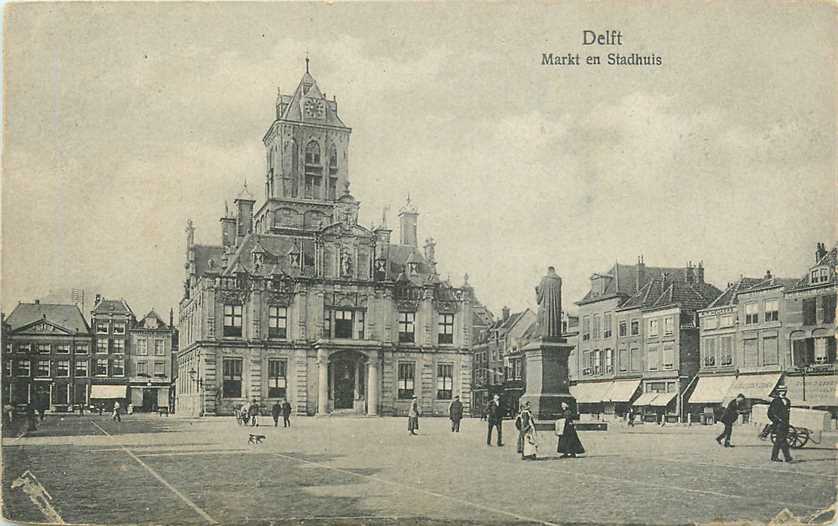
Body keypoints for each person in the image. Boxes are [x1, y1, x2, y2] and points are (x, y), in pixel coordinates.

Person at [768, 386, 793, 463]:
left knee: (780, 440)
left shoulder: (787, 401)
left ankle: (774, 456)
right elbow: (770, 413)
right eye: (782, 391)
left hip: (785, 423)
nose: (784, 392)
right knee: (782, 440)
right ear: (779, 392)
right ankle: (787, 457)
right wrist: (777, 420)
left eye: (785, 391)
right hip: (778, 424)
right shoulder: (775, 401)